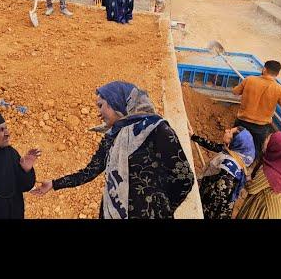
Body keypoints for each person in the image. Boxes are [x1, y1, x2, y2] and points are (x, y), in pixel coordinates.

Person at [32, 81, 194, 219]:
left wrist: (162, 206)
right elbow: (89, 172)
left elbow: (184, 178)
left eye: (101, 105)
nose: (99, 113)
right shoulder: (111, 138)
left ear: (116, 102)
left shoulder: (157, 130)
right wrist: (54, 184)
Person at [232, 60, 281, 157]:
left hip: (241, 123)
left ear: (264, 69)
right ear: (277, 74)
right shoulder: (280, 90)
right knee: (254, 153)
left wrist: (240, 88)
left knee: (234, 147)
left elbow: (235, 92)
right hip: (261, 128)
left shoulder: (249, 80)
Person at [191, 126, 255, 219]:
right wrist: (193, 136)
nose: (226, 130)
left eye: (230, 132)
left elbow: (216, 198)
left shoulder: (228, 170)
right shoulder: (234, 153)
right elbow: (214, 146)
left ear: (234, 142)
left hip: (212, 208)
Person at [235, 131, 281, 219]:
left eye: (269, 140)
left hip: (266, 209)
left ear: (276, 148)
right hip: (280, 205)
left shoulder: (270, 173)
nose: (265, 141)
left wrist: (246, 176)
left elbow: (251, 188)